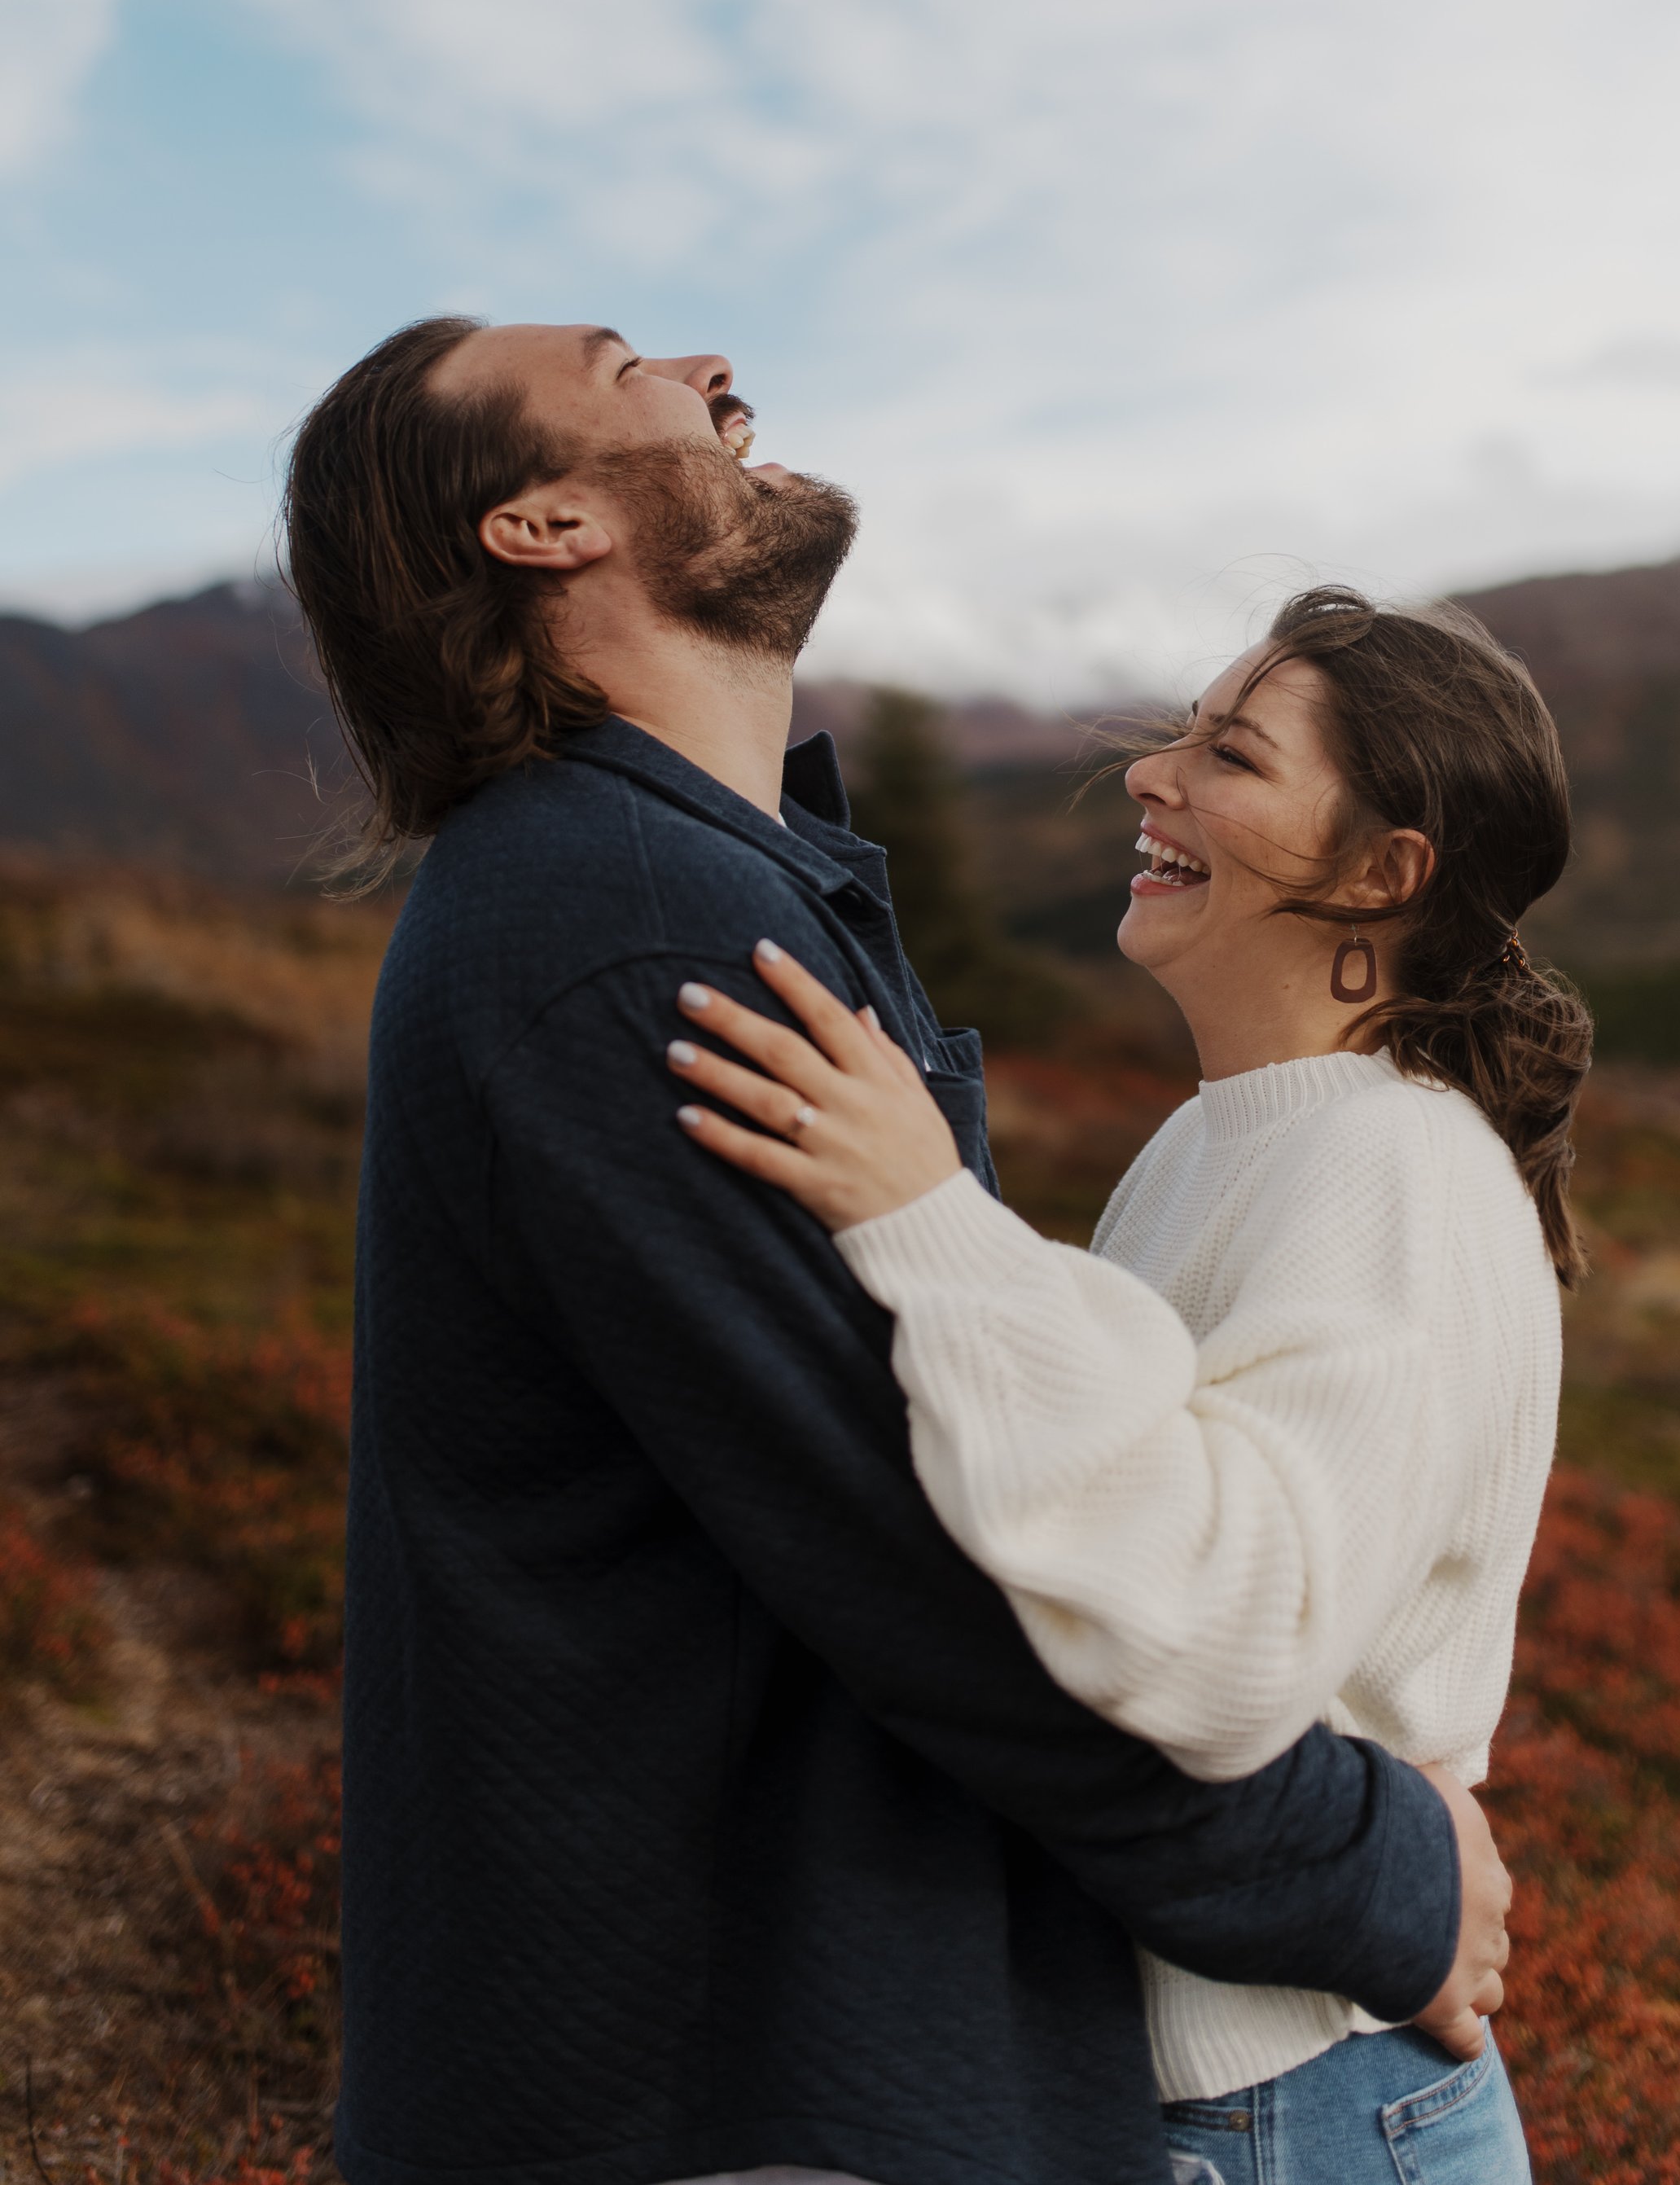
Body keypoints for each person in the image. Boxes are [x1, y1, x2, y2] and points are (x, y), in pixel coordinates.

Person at [282, 320, 1514, 2185]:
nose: (698, 355)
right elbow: (934, 1569)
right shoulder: (636, 926)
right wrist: (1374, 1874)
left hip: (786, 2046)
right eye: (616, 359)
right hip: (729, 2083)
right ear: (539, 523)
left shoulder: (716, 885)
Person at [656, 587, 1589, 2185]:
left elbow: (1228, 1628)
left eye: (1228, 752)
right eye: (1181, 728)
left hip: (1285, 2110)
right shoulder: (1228, 1137)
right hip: (1203, 2086)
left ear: (1381, 872)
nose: (1152, 774)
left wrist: (923, 1217)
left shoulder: (1389, 1168)